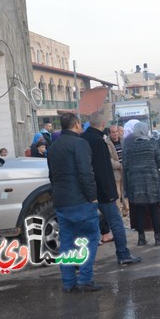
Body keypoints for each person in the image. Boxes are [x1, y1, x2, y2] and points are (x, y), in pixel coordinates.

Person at [46, 112, 101, 293]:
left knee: (67, 242)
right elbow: (86, 172)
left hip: (61, 201)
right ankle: (85, 279)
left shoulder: (53, 146)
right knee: (91, 237)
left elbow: (52, 175)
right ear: (76, 124)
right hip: (80, 200)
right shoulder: (80, 143)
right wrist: (92, 195)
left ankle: (68, 282)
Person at [81, 112, 141, 267]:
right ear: (102, 125)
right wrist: (111, 193)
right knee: (116, 221)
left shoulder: (82, 139)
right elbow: (103, 169)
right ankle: (123, 254)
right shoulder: (99, 141)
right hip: (102, 190)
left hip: (86, 190)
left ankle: (82, 260)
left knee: (86, 225)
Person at [122, 122, 160, 246]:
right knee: (154, 208)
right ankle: (158, 237)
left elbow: (125, 165)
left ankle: (141, 238)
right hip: (151, 181)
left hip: (135, 182)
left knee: (139, 209)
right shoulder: (152, 143)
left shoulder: (129, 147)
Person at [107, 124, 127, 216]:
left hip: (125, 171)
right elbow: (108, 159)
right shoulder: (107, 144)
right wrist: (119, 165)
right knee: (117, 193)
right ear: (109, 133)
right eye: (113, 132)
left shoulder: (123, 141)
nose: (115, 134)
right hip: (115, 172)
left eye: (116, 131)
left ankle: (126, 210)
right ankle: (118, 212)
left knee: (125, 192)